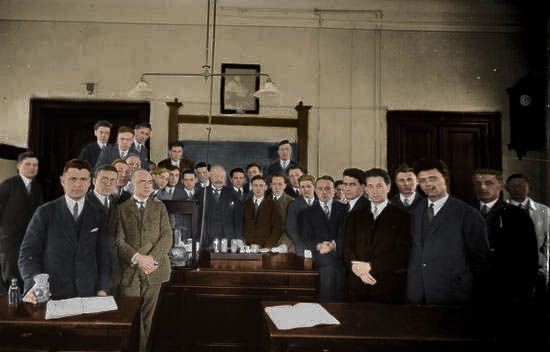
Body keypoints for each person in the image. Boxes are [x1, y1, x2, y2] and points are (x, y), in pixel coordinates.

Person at [19, 159, 111, 301]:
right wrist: (33, 285)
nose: (78, 184)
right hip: (51, 293)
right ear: (62, 180)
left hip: (88, 294)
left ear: (90, 182)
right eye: (73, 179)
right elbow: (28, 254)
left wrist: (102, 289)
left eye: (83, 179)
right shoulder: (44, 213)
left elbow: (104, 257)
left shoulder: (98, 214)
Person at [406, 159, 490, 305]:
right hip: (417, 294)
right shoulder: (414, 211)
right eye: (422, 180)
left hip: (452, 295)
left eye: (432, 179)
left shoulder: (467, 214)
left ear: (445, 178)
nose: (427, 184)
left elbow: (480, 260)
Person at [116, 169, 172, 352]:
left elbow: (167, 236)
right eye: (142, 182)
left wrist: (151, 259)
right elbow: (119, 240)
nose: (148, 185)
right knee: (131, 317)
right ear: (132, 184)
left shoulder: (159, 207)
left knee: (147, 318)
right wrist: (137, 258)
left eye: (150, 181)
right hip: (130, 272)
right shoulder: (121, 208)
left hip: (154, 270)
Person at [343, 168, 411, 303]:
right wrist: (358, 270)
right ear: (365, 189)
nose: (375, 191)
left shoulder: (403, 217)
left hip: (387, 286)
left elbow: (402, 253)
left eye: (379, 186)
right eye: (370, 186)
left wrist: (370, 266)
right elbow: (346, 248)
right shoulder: (355, 216)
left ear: (388, 187)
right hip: (357, 285)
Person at [0, 152, 43, 290]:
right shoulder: (8, 185)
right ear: (19, 166)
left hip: (29, 240)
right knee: (11, 279)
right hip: (9, 241)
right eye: (28, 164)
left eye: (35, 165)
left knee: (27, 277)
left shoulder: (38, 188)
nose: (32, 167)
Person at [299, 176, 346, 302]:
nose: (324, 192)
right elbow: (306, 236)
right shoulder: (306, 213)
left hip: (341, 251)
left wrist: (333, 245)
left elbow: (346, 233)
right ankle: (329, 306)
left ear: (335, 190)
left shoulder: (344, 209)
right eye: (320, 189)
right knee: (329, 268)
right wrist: (319, 246)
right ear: (315, 190)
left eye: (328, 188)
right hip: (319, 253)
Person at [506, 173, 549, 303]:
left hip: (537, 267)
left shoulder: (544, 211)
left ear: (529, 187)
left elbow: (548, 242)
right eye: (513, 186)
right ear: (507, 188)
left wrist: (545, 268)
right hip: (509, 269)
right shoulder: (501, 210)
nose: (517, 189)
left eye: (521, 185)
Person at [86, 164, 122, 296]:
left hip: (114, 270)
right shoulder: (84, 203)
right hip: (91, 272)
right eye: (104, 179)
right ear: (94, 181)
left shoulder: (114, 204)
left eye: (112, 180)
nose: (108, 184)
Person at [196, 164, 243, 248]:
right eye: (216, 176)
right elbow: (197, 218)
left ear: (225, 179)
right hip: (206, 239)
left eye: (221, 177)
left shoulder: (233, 194)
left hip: (228, 239)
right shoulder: (200, 194)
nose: (219, 180)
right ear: (210, 176)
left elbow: (238, 219)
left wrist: (238, 238)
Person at [243, 176, 283, 248]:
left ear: (266, 187)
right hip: (248, 247)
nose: (258, 188)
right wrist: (244, 243)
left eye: (261, 185)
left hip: (265, 247)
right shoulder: (245, 204)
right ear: (251, 187)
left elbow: (277, 228)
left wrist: (268, 246)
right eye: (255, 185)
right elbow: (241, 225)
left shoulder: (272, 204)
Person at [285, 174, 317, 256]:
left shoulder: (320, 203)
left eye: (308, 186)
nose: (305, 189)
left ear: (314, 187)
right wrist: (300, 243)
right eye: (302, 187)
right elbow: (290, 228)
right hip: (301, 246)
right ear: (299, 188)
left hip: (320, 246)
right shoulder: (293, 205)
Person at [269, 172, 295, 252]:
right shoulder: (264, 201)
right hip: (267, 244)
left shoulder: (292, 202)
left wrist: (284, 244)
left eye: (280, 184)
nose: (277, 187)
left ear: (285, 185)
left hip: (286, 244)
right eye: (274, 184)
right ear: (270, 185)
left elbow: (293, 228)